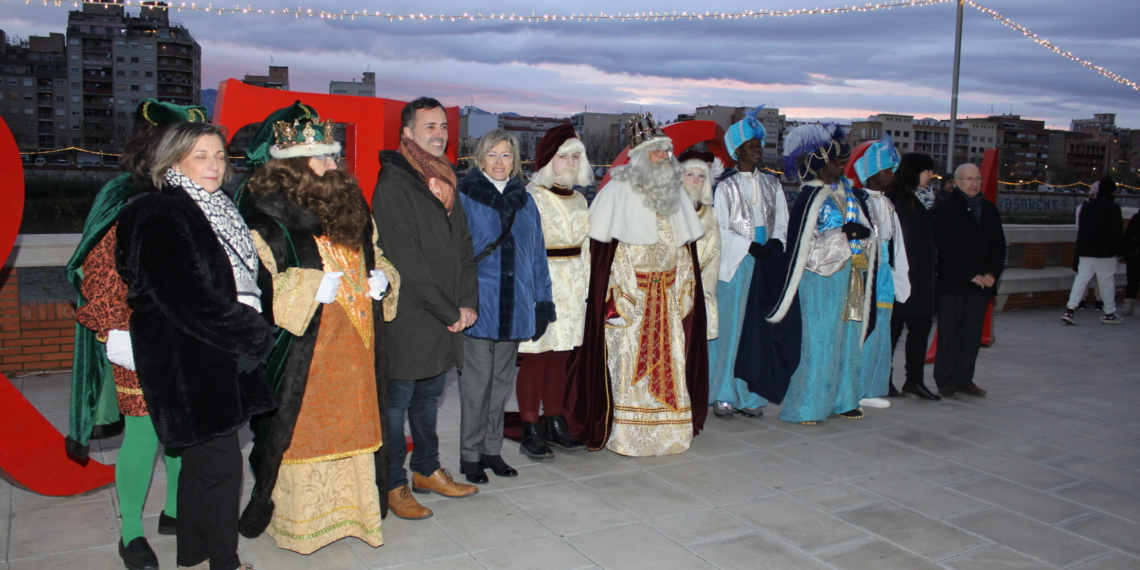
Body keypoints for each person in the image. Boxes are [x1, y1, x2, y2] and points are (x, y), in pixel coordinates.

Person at [237, 102, 401, 553]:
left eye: (334, 156)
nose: (335, 164)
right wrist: (306, 288)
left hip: (357, 342)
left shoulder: (352, 204)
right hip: (308, 350)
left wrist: (385, 279)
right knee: (305, 431)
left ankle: (355, 516)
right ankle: (302, 526)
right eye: (325, 157)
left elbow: (376, 253)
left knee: (358, 427)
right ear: (293, 164)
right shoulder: (265, 213)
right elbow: (254, 283)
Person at [116, 122, 277, 570]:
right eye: (201, 155)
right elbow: (187, 297)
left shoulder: (216, 205)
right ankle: (225, 562)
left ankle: (192, 552)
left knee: (199, 463)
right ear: (174, 160)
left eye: (220, 156)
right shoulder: (159, 211)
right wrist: (253, 330)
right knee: (222, 465)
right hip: (184, 358)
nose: (213, 165)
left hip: (217, 352)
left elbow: (244, 275)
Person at [67, 99, 206, 570]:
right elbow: (97, 267)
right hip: (137, 334)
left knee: (182, 433)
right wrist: (114, 329)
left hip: (186, 334)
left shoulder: (193, 192)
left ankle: (173, 513)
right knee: (145, 432)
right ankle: (130, 533)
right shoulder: (122, 194)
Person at [565, 112, 709, 456]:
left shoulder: (673, 195)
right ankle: (628, 433)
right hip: (633, 301)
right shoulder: (617, 192)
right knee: (629, 367)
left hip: (669, 298)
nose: (667, 158)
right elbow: (612, 259)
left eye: (668, 152)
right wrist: (622, 298)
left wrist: (685, 288)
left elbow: (685, 253)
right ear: (643, 156)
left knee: (671, 362)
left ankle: (667, 432)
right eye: (660, 152)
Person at [372, 96, 479, 520]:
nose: (438, 135)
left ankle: (426, 470)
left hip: (444, 316)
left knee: (429, 398)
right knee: (396, 403)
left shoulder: (446, 179)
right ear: (407, 133)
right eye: (428, 127)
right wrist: (449, 311)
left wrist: (468, 302)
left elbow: (465, 249)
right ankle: (393, 484)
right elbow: (406, 263)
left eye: (442, 127)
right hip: (410, 317)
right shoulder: (395, 184)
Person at [456, 129, 554, 483]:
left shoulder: (526, 201)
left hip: (516, 306)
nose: (499, 162)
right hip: (479, 307)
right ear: (481, 158)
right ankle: (469, 454)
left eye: (507, 155)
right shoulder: (466, 197)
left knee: (500, 385)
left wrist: (543, 300)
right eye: (493, 154)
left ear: (516, 162)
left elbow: (538, 256)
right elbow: (456, 257)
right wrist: (459, 302)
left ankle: (491, 450)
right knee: (476, 385)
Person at [765, 123, 873, 424]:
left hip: (850, 277)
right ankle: (808, 405)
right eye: (835, 161)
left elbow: (868, 235)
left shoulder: (849, 194)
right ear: (818, 164)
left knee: (847, 339)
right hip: (819, 281)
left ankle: (844, 399)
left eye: (843, 161)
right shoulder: (808, 198)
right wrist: (843, 235)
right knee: (819, 341)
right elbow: (805, 249)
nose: (841, 166)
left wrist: (863, 235)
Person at [514, 123, 592, 460]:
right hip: (541, 283)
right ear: (550, 160)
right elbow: (523, 248)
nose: (571, 161)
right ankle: (531, 425)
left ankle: (555, 419)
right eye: (564, 156)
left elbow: (586, 246)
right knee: (536, 357)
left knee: (561, 356)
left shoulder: (579, 199)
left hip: (573, 286)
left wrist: (587, 287)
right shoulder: (531, 196)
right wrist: (528, 293)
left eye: (576, 156)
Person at [708, 108, 788, 419]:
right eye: (751, 145)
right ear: (736, 150)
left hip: (764, 265)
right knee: (731, 331)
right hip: (737, 268)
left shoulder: (772, 184)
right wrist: (747, 246)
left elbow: (781, 221)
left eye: (759, 144)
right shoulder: (725, 187)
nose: (757, 150)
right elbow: (719, 229)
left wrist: (774, 242)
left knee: (757, 332)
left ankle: (750, 395)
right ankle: (724, 392)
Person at [933, 163, 1006, 398]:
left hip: (981, 286)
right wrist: (969, 275)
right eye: (969, 179)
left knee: (971, 335)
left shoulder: (990, 210)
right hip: (953, 283)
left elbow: (999, 246)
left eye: (978, 179)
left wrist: (991, 274)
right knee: (949, 334)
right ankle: (945, 380)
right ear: (957, 182)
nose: (974, 184)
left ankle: (964, 379)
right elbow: (946, 248)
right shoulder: (945, 209)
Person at [848, 136, 910, 410]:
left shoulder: (888, 204)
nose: (891, 176)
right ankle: (855, 389)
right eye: (886, 171)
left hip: (884, 274)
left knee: (882, 331)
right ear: (871, 172)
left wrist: (901, 278)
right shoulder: (857, 201)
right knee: (863, 331)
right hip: (864, 273)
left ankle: (872, 387)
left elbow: (898, 246)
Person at [886, 152, 941, 400]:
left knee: (921, 329)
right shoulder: (896, 199)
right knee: (892, 331)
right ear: (914, 171)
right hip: (902, 278)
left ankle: (914, 380)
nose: (931, 175)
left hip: (923, 278)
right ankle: (883, 380)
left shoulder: (926, 200)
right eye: (927, 171)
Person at [1063, 176, 1124, 325]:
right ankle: (1109, 313)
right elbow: (1116, 232)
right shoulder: (1113, 207)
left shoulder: (1087, 206)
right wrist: (1120, 250)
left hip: (1085, 250)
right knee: (1106, 282)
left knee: (1081, 280)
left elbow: (1081, 229)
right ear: (1112, 191)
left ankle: (1070, 310)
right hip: (1105, 252)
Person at [678, 150, 721, 342]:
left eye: (701, 176)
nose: (695, 180)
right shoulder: (669, 210)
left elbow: (714, 254)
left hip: (698, 288)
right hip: (672, 287)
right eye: (690, 175)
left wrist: (705, 291)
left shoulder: (710, 215)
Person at [1122, 209, 1140, 316]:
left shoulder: (1136, 217)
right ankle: (1129, 304)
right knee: (1132, 280)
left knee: (1132, 280)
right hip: (1134, 255)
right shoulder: (1136, 217)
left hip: (1133, 255)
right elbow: (1127, 236)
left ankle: (1129, 306)